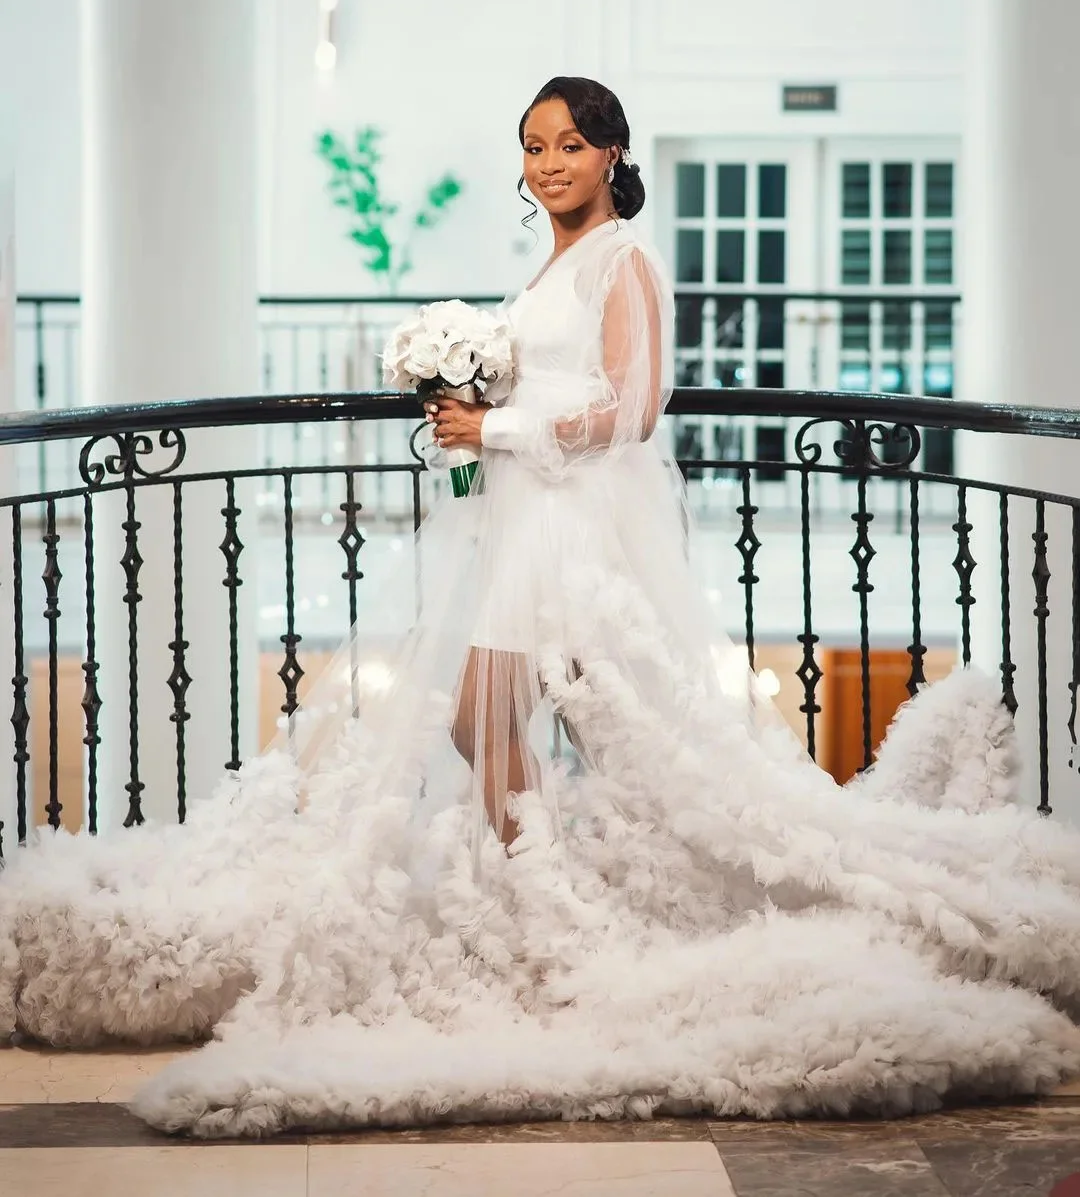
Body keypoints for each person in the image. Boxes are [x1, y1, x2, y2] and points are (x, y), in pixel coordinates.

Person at [1, 78, 1079, 1140]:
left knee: (562, 730)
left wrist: (500, 432)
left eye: (567, 144)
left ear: (612, 153)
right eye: (532, 146)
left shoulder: (627, 258)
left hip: (573, 529)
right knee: (546, 731)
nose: (547, 163)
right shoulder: (559, 257)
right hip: (526, 522)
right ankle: (564, 909)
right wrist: (474, 403)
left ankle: (571, 926)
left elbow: (636, 404)